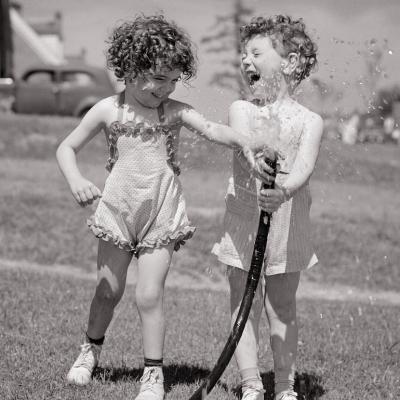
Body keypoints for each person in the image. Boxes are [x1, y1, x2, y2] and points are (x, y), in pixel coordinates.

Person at [56, 14, 261, 400]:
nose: (165, 89)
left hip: (161, 214)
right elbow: (65, 148)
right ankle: (90, 350)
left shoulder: (175, 112)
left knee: (149, 294)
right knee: (108, 292)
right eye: (157, 78)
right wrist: (76, 180)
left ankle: (153, 376)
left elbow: (215, 130)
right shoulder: (106, 109)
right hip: (117, 211)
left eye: (173, 80)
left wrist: (247, 141)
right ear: (130, 69)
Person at [211, 15, 323, 400]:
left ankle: (285, 385)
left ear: (290, 62)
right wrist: (257, 160)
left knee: (283, 307)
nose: (246, 60)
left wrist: (284, 190)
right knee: (244, 303)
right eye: (243, 54)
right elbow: (247, 146)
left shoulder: (311, 120)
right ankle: (251, 383)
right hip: (245, 223)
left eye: (256, 52)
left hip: (288, 224)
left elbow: (305, 167)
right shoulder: (241, 108)